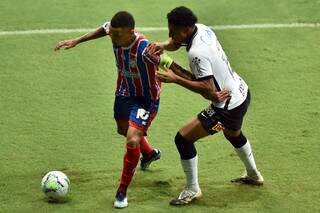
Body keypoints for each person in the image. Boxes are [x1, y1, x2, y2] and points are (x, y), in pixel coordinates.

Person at [146, 6, 264, 205]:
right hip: (242, 94)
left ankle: (192, 189)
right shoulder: (202, 29)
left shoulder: (196, 53)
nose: (169, 34)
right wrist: (163, 45)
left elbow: (206, 89)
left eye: (172, 31)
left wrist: (175, 78)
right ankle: (254, 174)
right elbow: (176, 42)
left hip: (225, 111)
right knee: (232, 133)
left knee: (183, 139)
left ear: (185, 30)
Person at [54, 11, 164, 208]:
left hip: (146, 99)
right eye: (111, 33)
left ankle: (122, 191)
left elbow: (171, 65)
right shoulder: (114, 32)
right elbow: (104, 28)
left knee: (132, 139)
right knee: (123, 130)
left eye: (117, 34)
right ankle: (148, 153)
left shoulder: (146, 49)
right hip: (124, 91)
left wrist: (201, 84)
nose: (112, 37)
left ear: (131, 32)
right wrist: (77, 41)